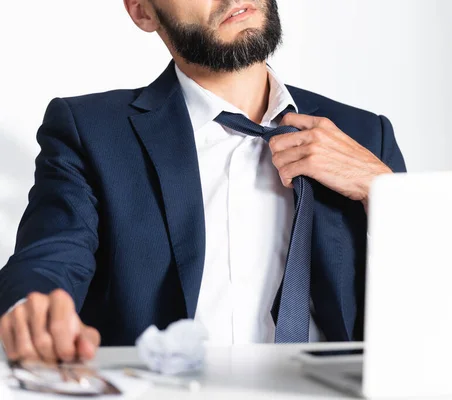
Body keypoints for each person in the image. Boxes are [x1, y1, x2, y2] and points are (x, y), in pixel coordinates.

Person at [0, 0, 406, 362]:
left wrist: (383, 191)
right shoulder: (90, 132)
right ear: (143, 11)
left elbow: (439, 302)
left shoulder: (366, 136)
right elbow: (48, 259)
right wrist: (32, 306)